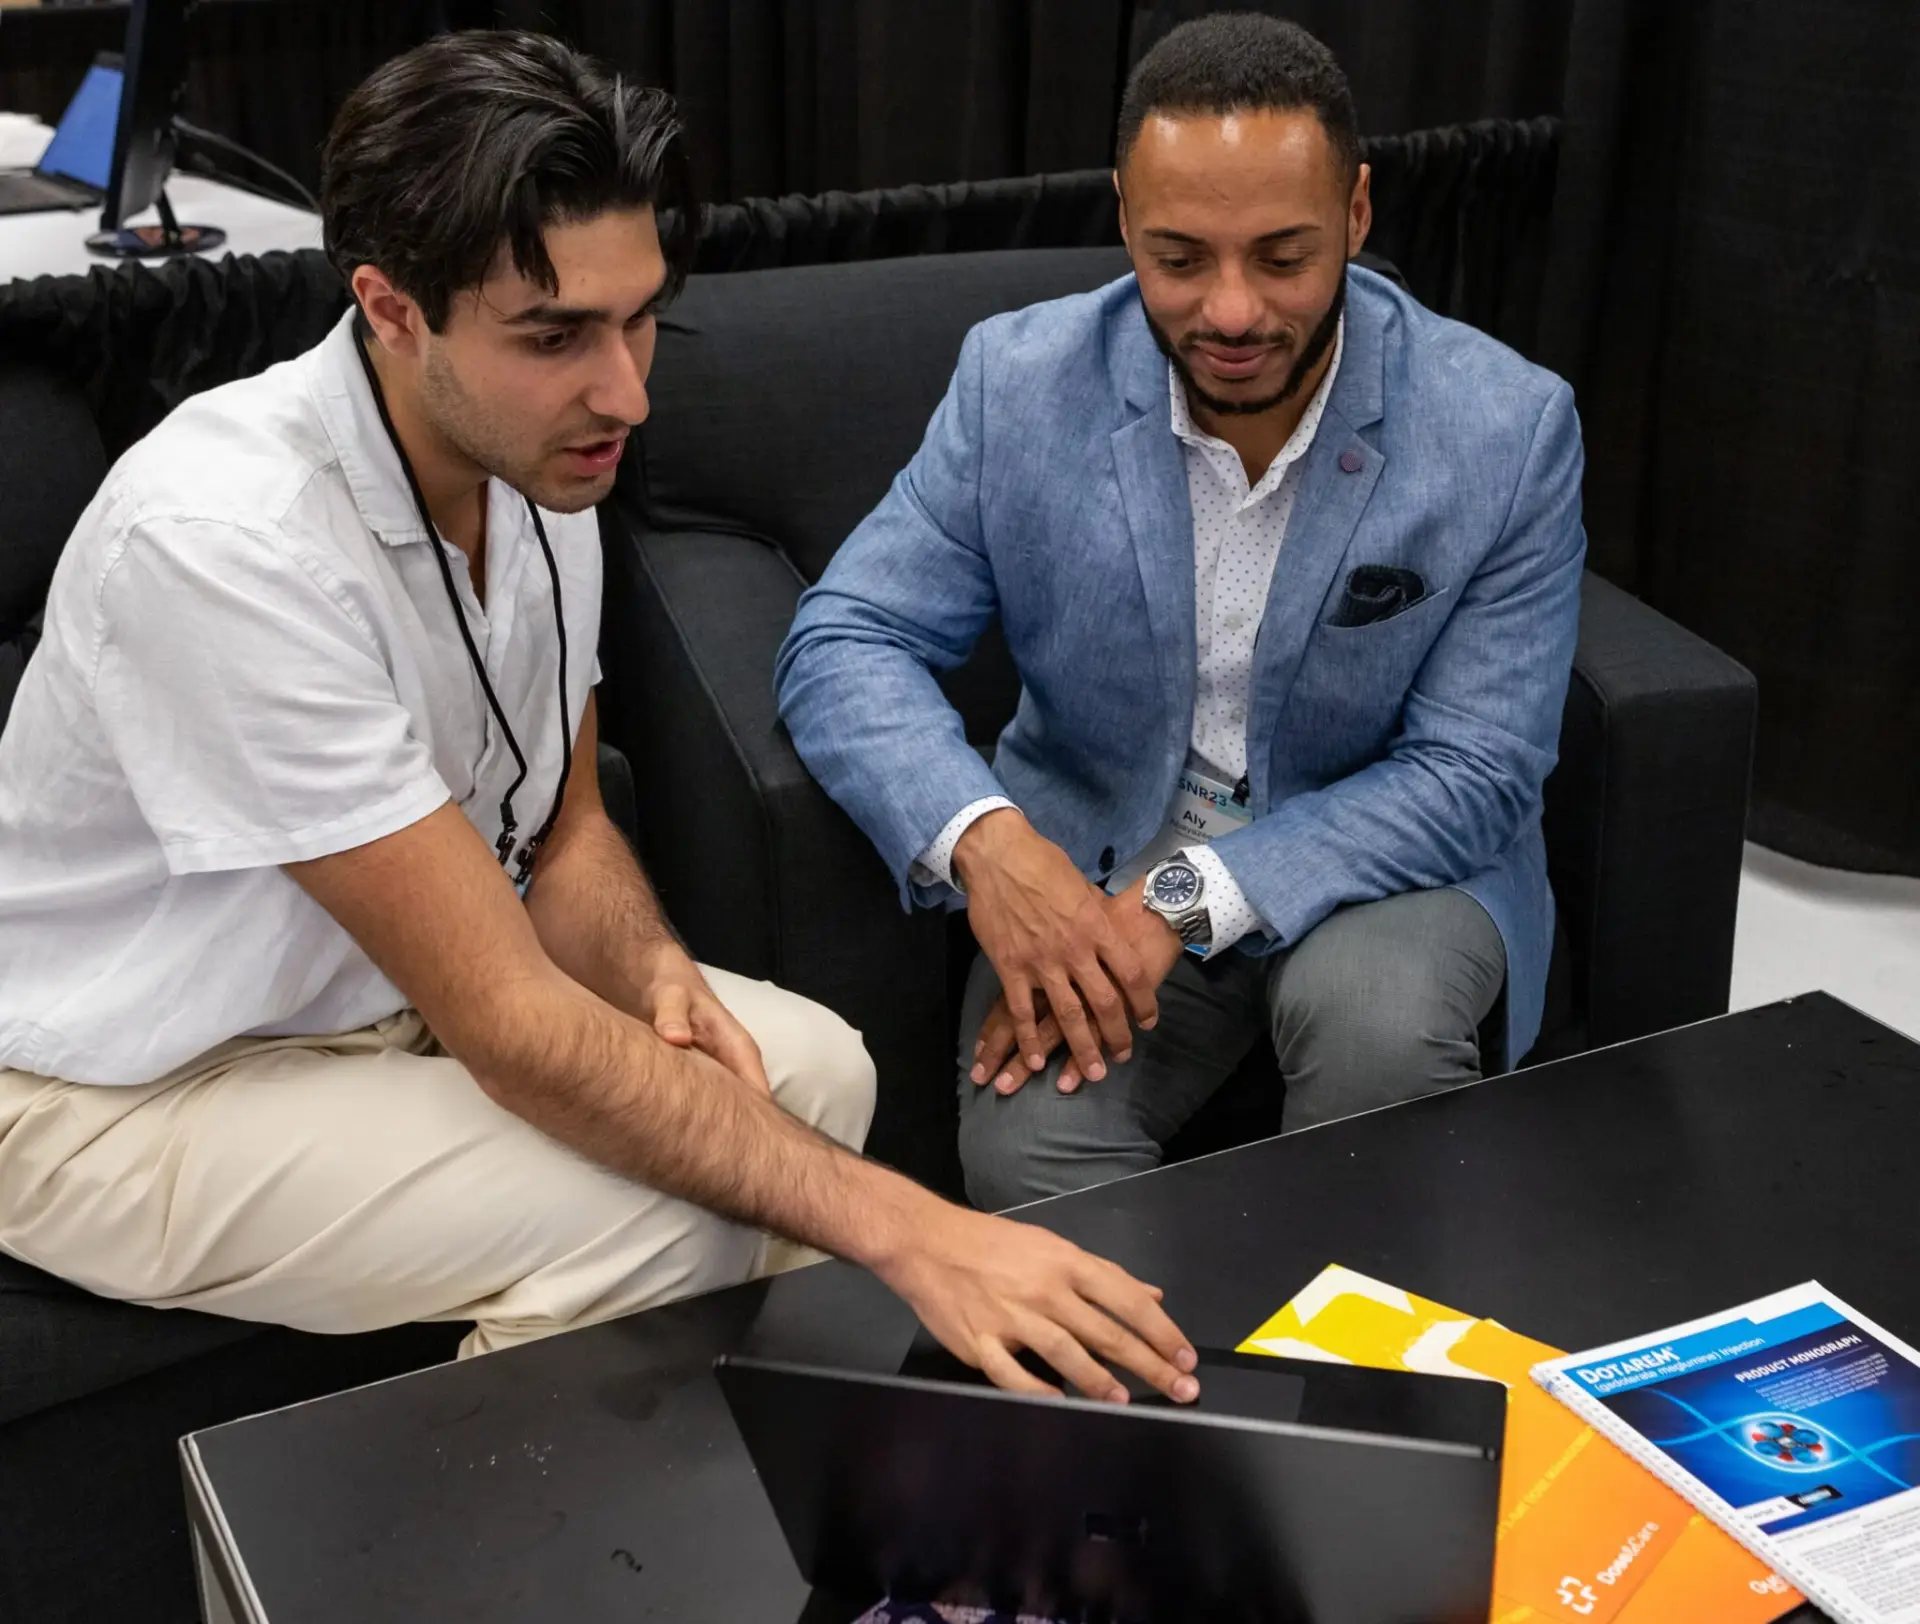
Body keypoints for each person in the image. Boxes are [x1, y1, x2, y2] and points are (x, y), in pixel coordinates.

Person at [0, 31, 1200, 1407]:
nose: (626, 390)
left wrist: (649, 971)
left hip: (373, 1009)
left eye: (638, 318)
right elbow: (509, 1018)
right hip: (105, 1096)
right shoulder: (224, 542)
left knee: (814, 1070)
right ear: (391, 309)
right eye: (558, 334)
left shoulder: (536, 463)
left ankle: (723, 1503)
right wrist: (920, 1232)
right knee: (666, 1212)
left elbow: (559, 828)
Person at [776, 13, 1587, 1213]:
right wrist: (991, 846)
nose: (1232, 311)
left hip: (1386, 859)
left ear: (1358, 216)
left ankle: (1347, 1376)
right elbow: (845, 639)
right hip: (1102, 851)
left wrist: (1187, 898)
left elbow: (1475, 772)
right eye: (1179, 258)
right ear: (1121, 219)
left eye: (1281, 255)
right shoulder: (1017, 381)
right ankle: (1163, 1394)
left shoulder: (1508, 429)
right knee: (1023, 1152)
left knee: (1376, 1031)